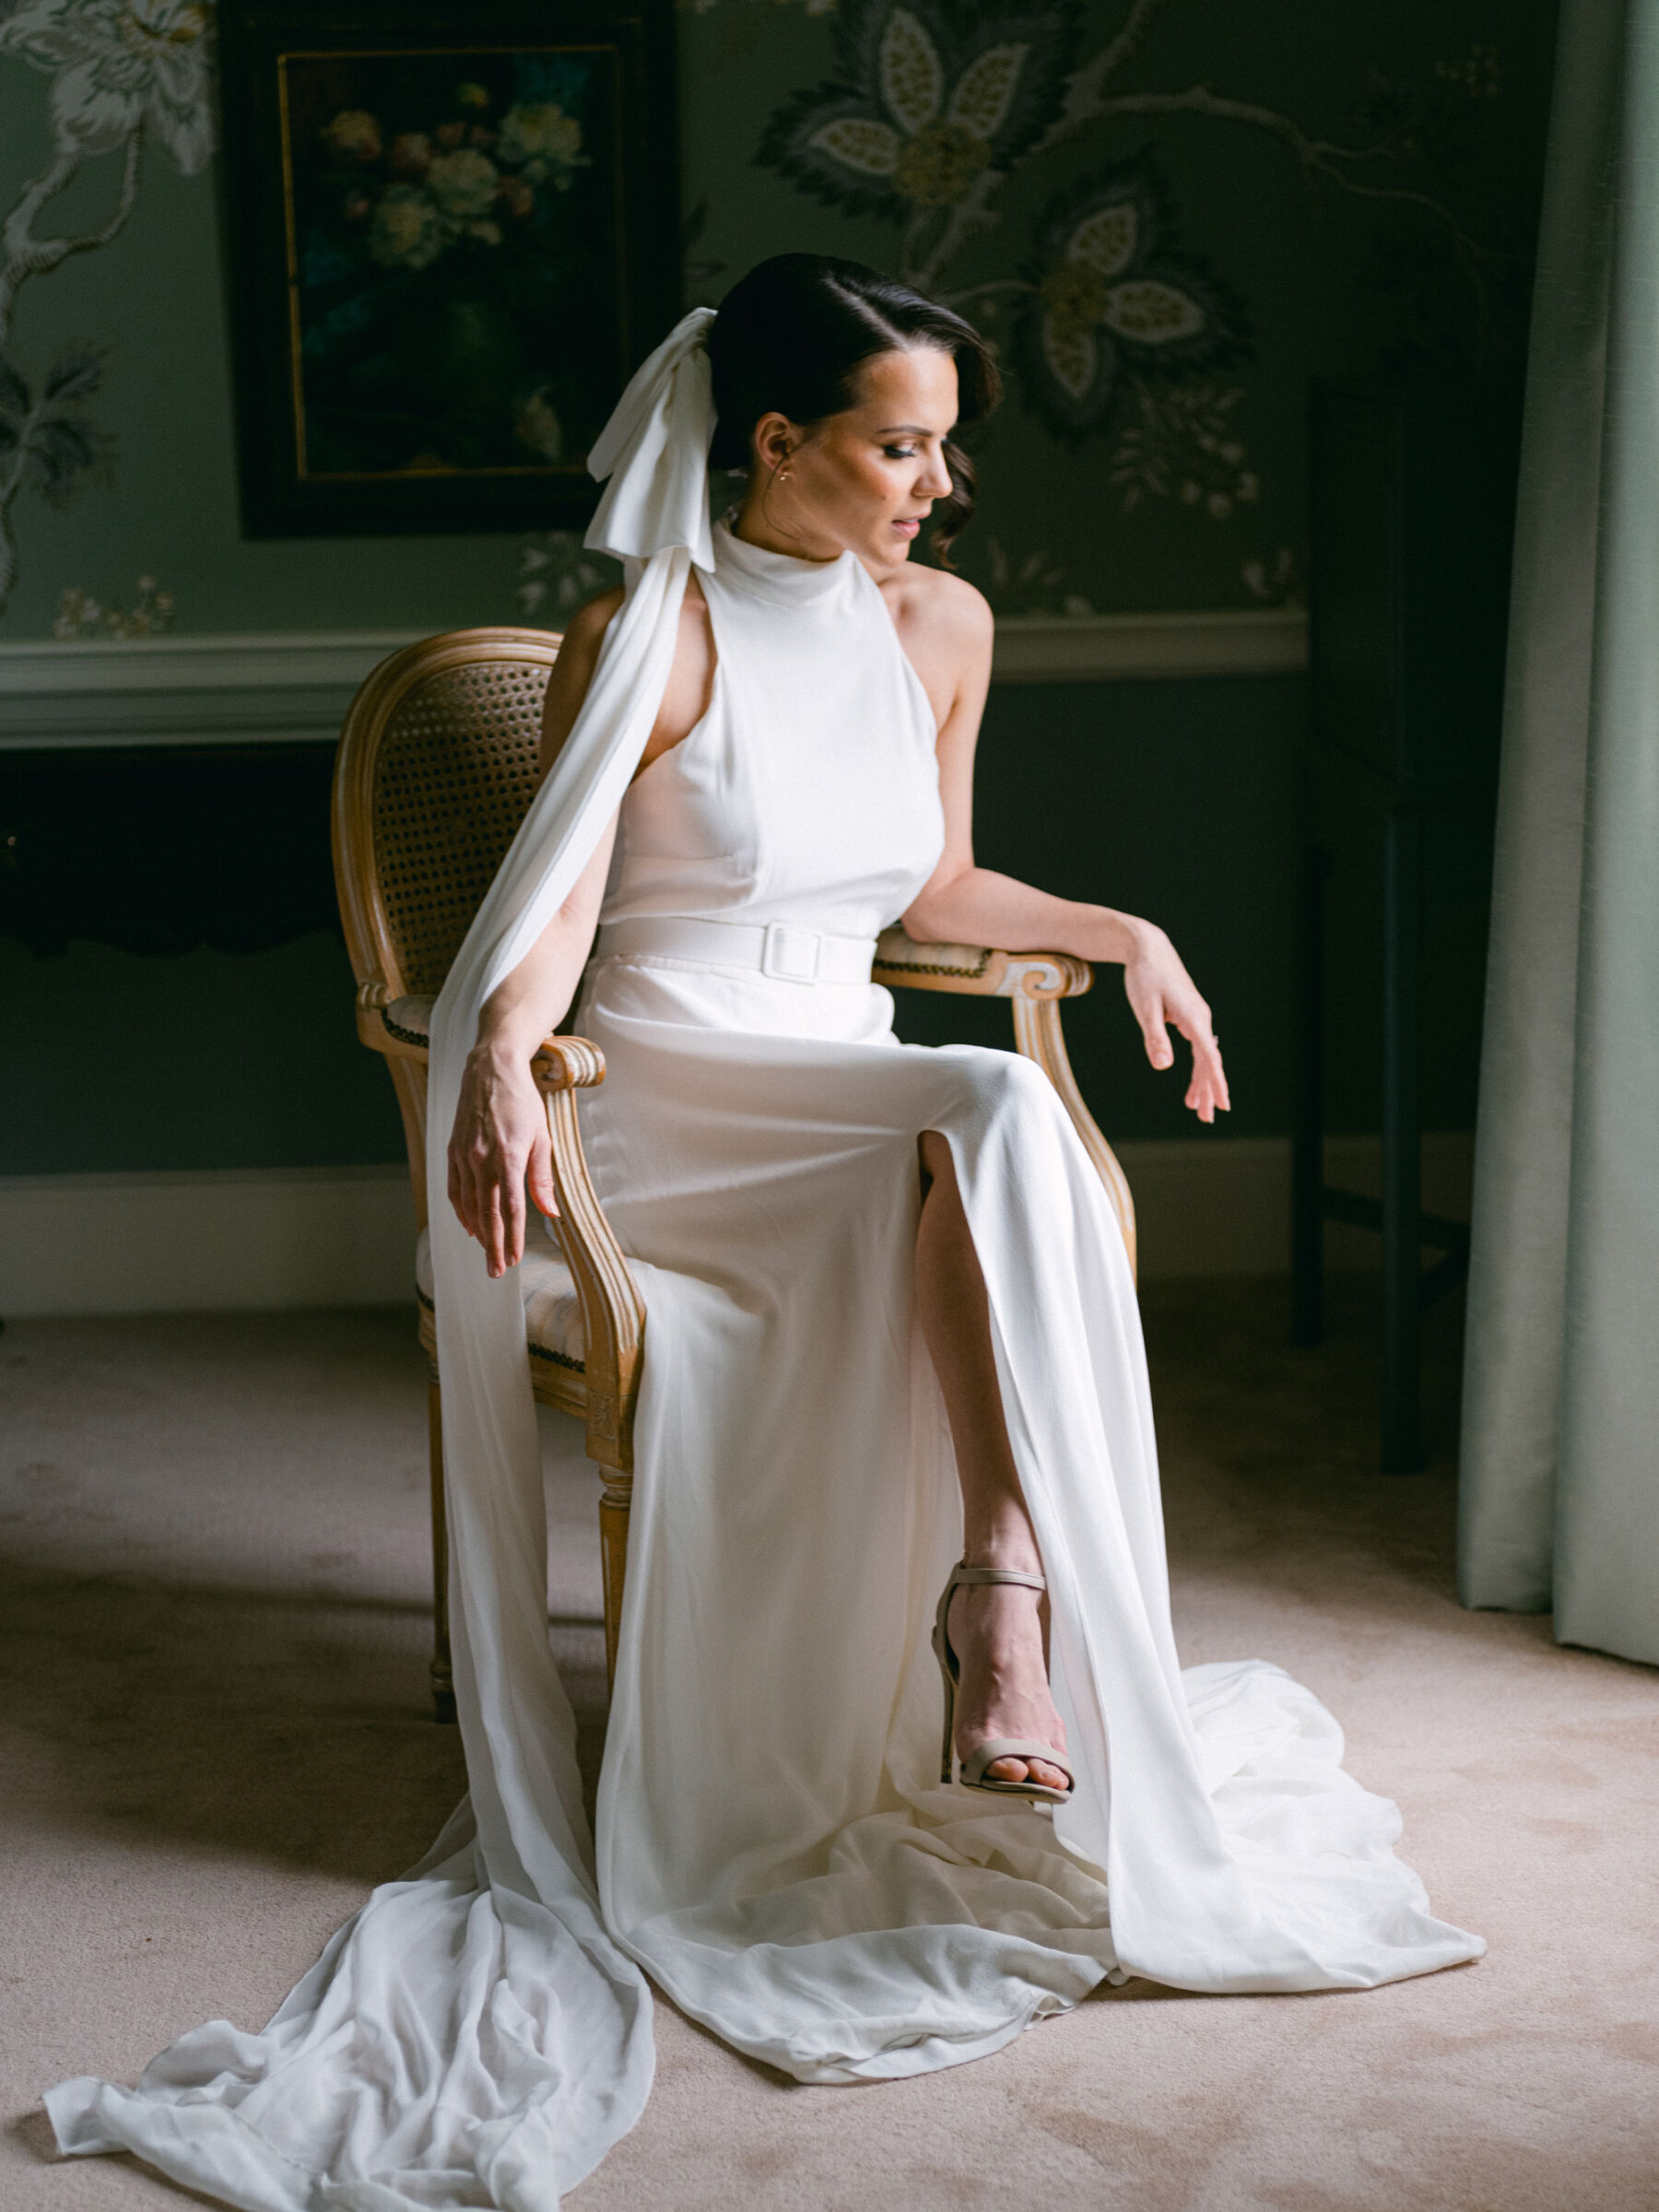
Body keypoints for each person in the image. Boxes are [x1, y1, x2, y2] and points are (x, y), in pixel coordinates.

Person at [46, 256, 1481, 2212]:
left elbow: (939, 879)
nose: (937, 482)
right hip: (679, 1089)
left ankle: (1000, 1589)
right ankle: (1003, 1611)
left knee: (962, 1114)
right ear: (781, 440)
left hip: (851, 1069)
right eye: (902, 444)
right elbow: (551, 905)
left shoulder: (945, 625)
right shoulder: (654, 628)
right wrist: (498, 1057)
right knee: (978, 1110)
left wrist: (1123, 928)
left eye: (948, 442)